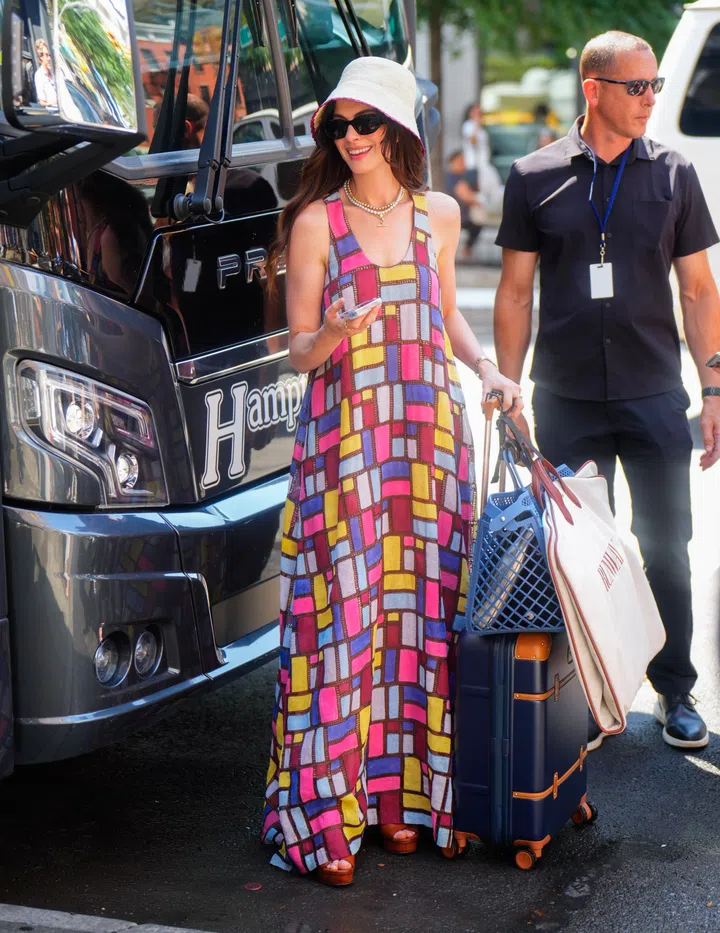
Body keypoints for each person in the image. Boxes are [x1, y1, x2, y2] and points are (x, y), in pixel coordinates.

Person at [261, 56, 523, 886]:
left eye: (365, 122)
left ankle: (403, 797)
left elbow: (444, 315)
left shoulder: (436, 214)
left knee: (419, 618)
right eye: (338, 125)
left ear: (398, 127)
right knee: (344, 620)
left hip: (427, 441)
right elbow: (299, 351)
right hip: (346, 449)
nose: (350, 138)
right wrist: (334, 330)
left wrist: (488, 368)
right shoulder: (316, 222)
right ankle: (327, 810)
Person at [494, 30, 720, 752]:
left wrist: (714, 387)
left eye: (655, 85)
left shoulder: (675, 174)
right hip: (565, 399)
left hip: (655, 395)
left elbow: (698, 289)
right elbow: (515, 292)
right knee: (576, 557)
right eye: (637, 86)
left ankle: (675, 689)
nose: (651, 99)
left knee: (668, 549)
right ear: (593, 90)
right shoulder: (533, 175)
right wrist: (507, 389)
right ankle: (591, 696)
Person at [446, 150, 486, 262]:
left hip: (463, 215)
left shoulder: (464, 176)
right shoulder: (451, 177)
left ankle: (466, 250)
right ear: (452, 162)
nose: (463, 163)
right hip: (456, 216)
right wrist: (477, 202)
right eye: (460, 160)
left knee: (476, 226)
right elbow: (463, 193)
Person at [33, 39, 57, 108]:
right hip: (51, 111)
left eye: (49, 55)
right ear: (41, 57)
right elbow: (42, 102)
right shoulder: (39, 75)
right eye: (46, 55)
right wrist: (54, 103)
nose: (49, 58)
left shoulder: (52, 73)